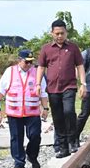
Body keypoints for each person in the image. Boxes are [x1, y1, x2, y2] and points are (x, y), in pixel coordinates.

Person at [0, 50, 48, 168]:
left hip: (32, 111)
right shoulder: (10, 72)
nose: (29, 65)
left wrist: (45, 108)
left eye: (31, 62)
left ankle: (32, 156)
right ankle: (19, 162)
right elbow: (1, 90)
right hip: (14, 112)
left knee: (35, 136)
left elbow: (43, 92)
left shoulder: (37, 72)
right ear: (19, 60)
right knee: (16, 137)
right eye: (26, 62)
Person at [36, 19, 86, 159]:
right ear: (52, 33)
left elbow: (80, 66)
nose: (59, 36)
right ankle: (63, 147)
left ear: (66, 33)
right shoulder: (46, 49)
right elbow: (41, 67)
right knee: (58, 117)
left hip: (69, 86)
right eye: (57, 33)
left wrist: (83, 83)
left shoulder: (73, 48)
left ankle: (72, 140)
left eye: (62, 33)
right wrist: (38, 84)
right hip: (52, 88)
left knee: (69, 111)